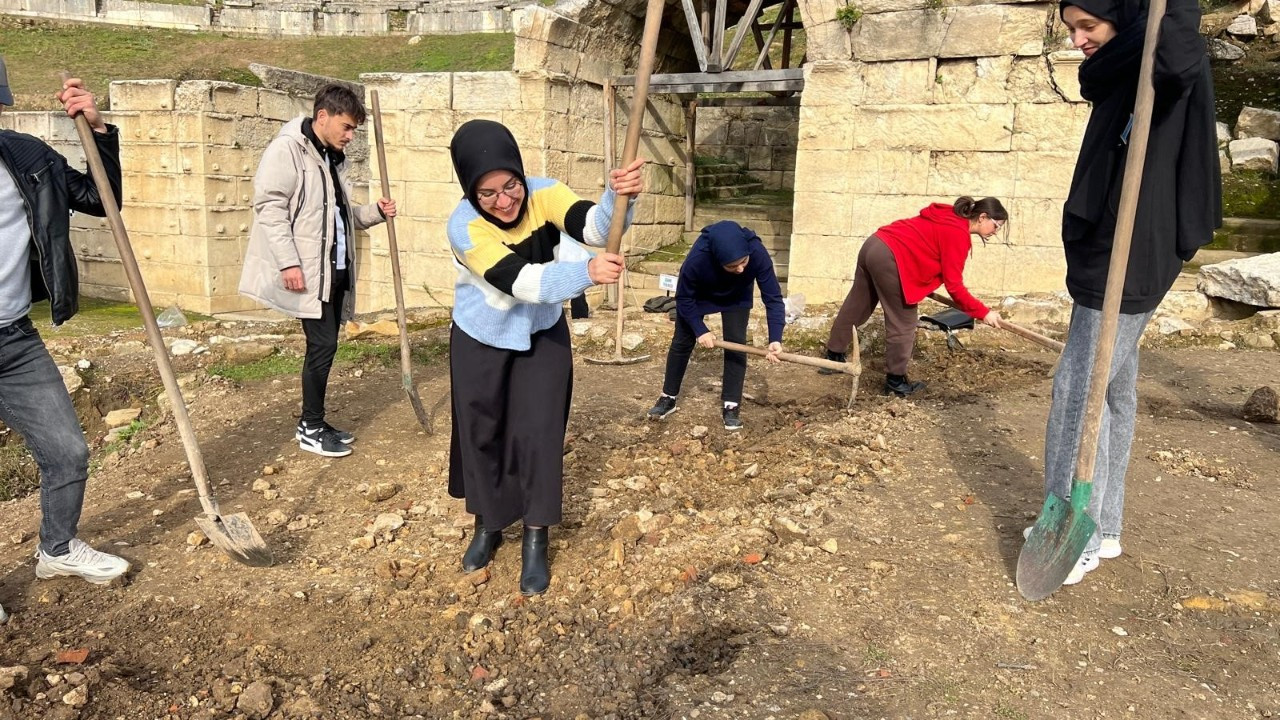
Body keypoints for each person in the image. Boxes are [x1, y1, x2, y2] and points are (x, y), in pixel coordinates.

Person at [1031, 0, 1220, 586]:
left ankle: (1073, 526)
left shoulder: (1164, 56)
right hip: (1111, 242)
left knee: (1079, 384)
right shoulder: (1123, 66)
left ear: (1129, 17)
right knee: (1113, 386)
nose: (1079, 40)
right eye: (1071, 29)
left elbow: (1179, 55)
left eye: (1089, 26)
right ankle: (1105, 527)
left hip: (1135, 247)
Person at [445, 119, 643, 596]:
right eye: (487, 193)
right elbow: (521, 283)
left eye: (509, 185)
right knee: (483, 433)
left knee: (539, 432)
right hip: (481, 337)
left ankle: (536, 534)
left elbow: (594, 226)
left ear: (520, 174)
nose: (505, 200)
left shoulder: (544, 192)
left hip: (542, 335)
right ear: (470, 192)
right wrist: (586, 276)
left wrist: (620, 197)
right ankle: (488, 525)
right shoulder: (464, 227)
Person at [0, 60, 131, 624]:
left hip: (14, 340)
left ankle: (55, 550)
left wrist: (97, 133)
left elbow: (100, 199)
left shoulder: (25, 157)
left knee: (68, 451)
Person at [238, 84, 396, 458]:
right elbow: (271, 208)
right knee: (321, 345)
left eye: (355, 129)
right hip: (309, 272)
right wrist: (288, 262)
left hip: (334, 270)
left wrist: (374, 212)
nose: (350, 135)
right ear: (322, 116)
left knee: (325, 346)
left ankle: (316, 421)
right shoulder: (288, 150)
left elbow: (339, 217)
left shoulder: (329, 158)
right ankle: (310, 427)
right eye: (346, 126)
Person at [820, 197, 1006, 396]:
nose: (995, 232)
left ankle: (833, 357)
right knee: (903, 322)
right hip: (891, 257)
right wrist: (983, 312)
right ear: (982, 217)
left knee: (857, 304)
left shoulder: (948, 216)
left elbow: (925, 247)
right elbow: (954, 286)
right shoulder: (958, 234)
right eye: (996, 226)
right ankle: (895, 381)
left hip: (875, 244)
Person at [646, 221, 785, 430]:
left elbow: (773, 298)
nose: (740, 269)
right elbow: (683, 298)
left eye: (744, 262)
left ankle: (731, 403)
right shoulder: (698, 258)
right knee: (682, 342)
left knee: (736, 343)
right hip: (699, 295)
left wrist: (775, 337)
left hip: (737, 296)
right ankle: (668, 397)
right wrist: (700, 329)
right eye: (732, 265)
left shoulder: (756, 251)